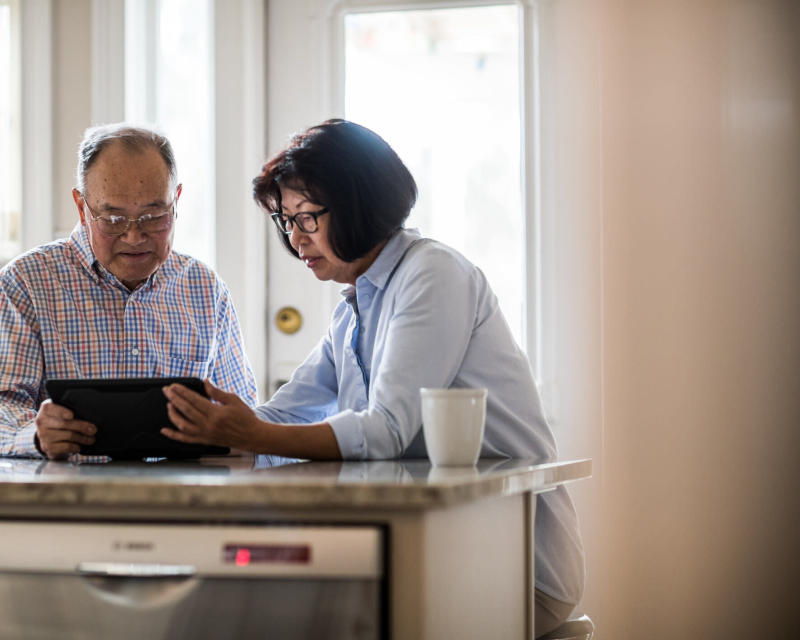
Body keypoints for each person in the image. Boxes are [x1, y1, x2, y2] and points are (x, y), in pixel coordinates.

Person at [161, 119, 585, 636]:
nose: (295, 239)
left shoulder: (431, 274)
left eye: (307, 218)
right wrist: (188, 428)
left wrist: (248, 433)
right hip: (445, 543)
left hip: (516, 561)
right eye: (285, 221)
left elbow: (385, 430)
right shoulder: (355, 307)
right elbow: (281, 415)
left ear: (359, 206)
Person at [0, 124, 258, 459]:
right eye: (114, 219)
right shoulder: (25, 284)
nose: (134, 236)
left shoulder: (205, 290)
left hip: (182, 501)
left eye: (154, 216)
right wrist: (35, 434)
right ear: (81, 207)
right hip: (67, 502)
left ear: (175, 202)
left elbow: (243, 417)